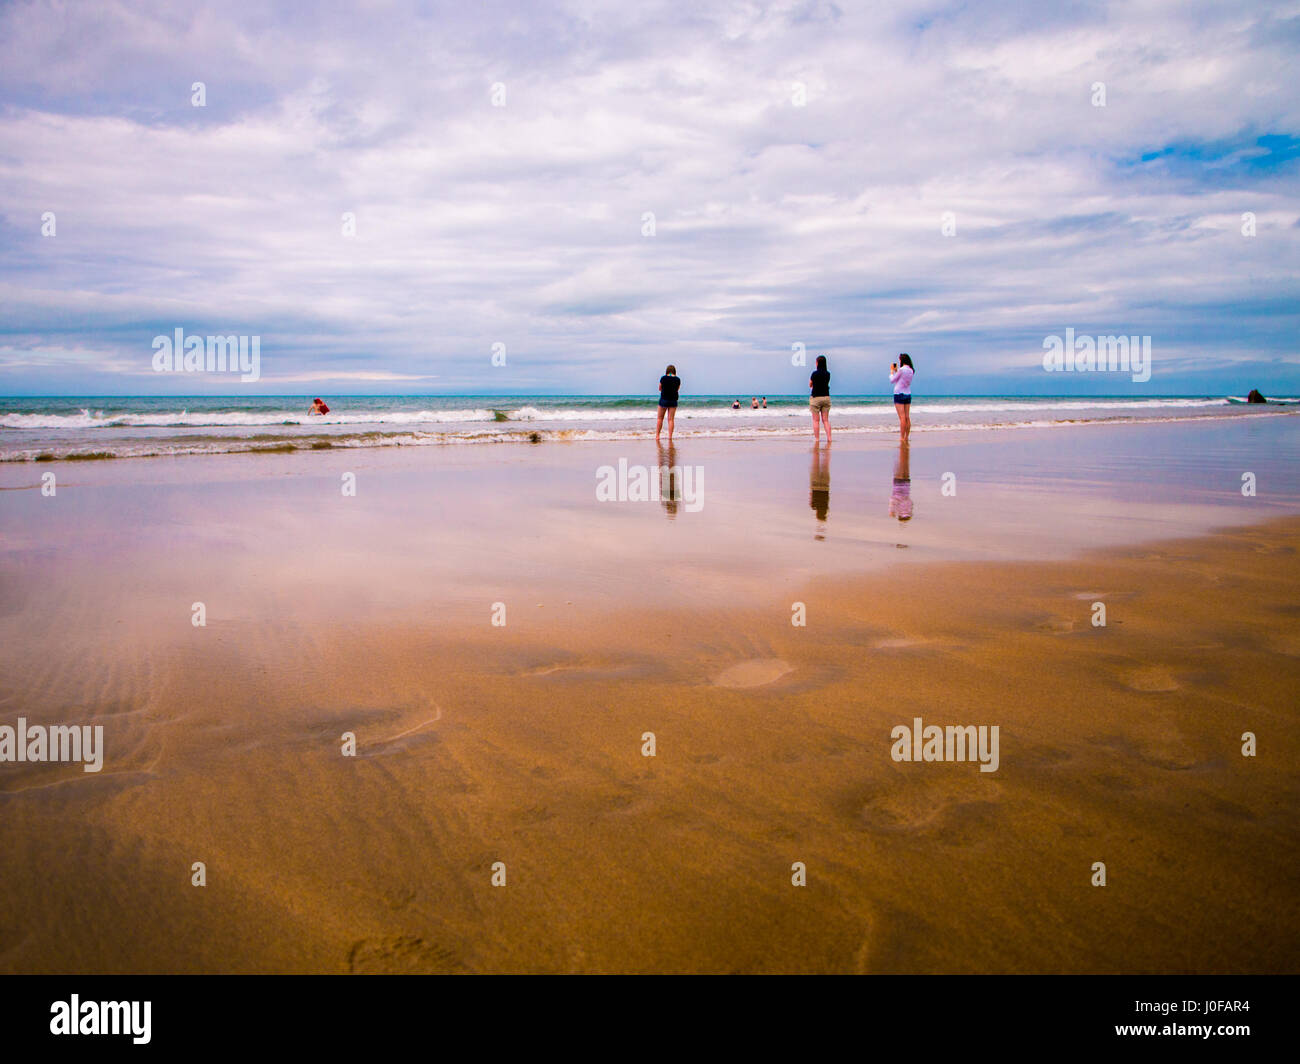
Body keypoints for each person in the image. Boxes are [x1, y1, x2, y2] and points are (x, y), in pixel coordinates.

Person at [890, 353, 914, 439]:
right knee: (907, 417)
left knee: (902, 418)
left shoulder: (901, 370)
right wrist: (897, 371)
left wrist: (892, 371)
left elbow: (892, 380)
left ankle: (901, 437)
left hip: (899, 393)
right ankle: (906, 437)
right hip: (907, 394)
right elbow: (902, 379)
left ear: (902, 360)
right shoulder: (911, 370)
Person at [809, 355, 831, 443]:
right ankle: (829, 438)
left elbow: (810, 384)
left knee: (816, 420)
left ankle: (817, 439)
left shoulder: (814, 373)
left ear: (817, 363)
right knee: (825, 420)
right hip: (826, 397)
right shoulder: (828, 374)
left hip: (816, 398)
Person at [889, 440, 913, 521]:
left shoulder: (908, 507)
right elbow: (893, 501)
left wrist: (892, 511)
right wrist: (891, 511)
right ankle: (902, 448)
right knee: (901, 465)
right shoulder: (901, 506)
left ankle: (903, 448)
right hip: (899, 485)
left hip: (906, 485)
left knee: (905, 465)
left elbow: (910, 502)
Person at [656, 364, 680, 442]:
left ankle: (657, 436)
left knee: (660, 418)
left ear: (667, 371)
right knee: (671, 420)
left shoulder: (663, 378)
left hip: (664, 399)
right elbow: (677, 389)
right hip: (673, 400)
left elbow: (660, 388)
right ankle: (670, 437)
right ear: (674, 371)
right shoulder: (677, 379)